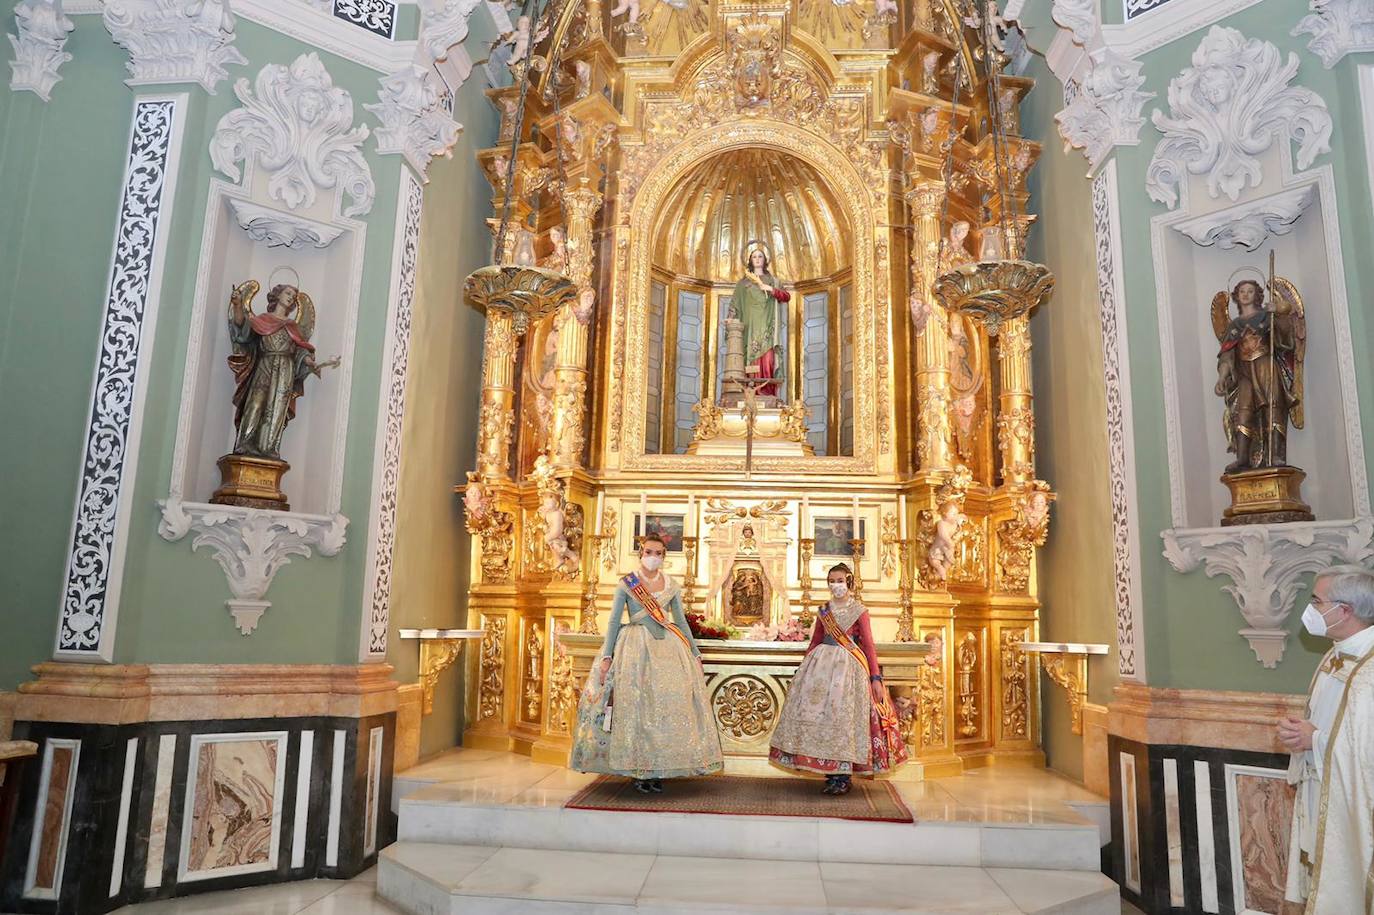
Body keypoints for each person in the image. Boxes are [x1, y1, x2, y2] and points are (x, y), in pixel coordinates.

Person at [570, 535, 723, 792]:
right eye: (649, 551)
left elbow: (681, 622)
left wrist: (695, 653)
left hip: (669, 651)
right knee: (638, 710)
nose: (653, 556)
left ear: (664, 556)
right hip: (635, 648)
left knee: (664, 709)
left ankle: (658, 769)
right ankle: (638, 771)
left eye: (659, 553)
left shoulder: (671, 585)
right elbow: (613, 621)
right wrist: (607, 656)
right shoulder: (627, 584)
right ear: (641, 553)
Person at [1280, 564, 1374, 913]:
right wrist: (1303, 733)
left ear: (1345, 611)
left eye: (1318, 601)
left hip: (1352, 802)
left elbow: (1368, 749)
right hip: (1321, 787)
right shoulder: (1336, 653)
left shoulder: (1371, 669)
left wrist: (1315, 740)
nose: (1311, 609)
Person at [769, 563, 908, 794]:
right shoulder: (823, 610)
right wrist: (803, 669)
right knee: (822, 721)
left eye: (840, 580)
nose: (836, 585)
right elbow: (815, 641)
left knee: (843, 721)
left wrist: (875, 677)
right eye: (832, 581)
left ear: (849, 582)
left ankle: (843, 776)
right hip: (820, 670)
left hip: (849, 671)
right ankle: (830, 772)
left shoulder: (859, 611)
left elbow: (869, 645)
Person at [728, 245, 790, 398]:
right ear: (750, 260)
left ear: (765, 260)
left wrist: (770, 289)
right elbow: (735, 305)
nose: (757, 259)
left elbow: (786, 297)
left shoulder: (773, 281)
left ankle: (767, 394)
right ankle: (751, 394)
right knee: (749, 361)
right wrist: (731, 319)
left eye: (760, 256)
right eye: (754, 256)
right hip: (750, 329)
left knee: (768, 361)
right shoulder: (742, 284)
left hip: (767, 328)